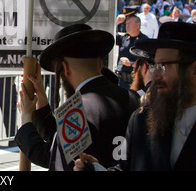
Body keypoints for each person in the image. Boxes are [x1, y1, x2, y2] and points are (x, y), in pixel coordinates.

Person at [15, 24, 139, 171]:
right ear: (100, 64)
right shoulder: (134, 98)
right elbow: (62, 140)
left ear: (65, 69)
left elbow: (52, 157)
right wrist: (42, 102)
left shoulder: (79, 108)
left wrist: (26, 119)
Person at [75, 22, 196, 171]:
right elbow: (126, 168)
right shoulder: (142, 121)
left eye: (164, 66)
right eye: (154, 66)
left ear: (193, 70)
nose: (155, 76)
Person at [116, 14, 149, 89]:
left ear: (138, 25)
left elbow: (146, 63)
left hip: (136, 82)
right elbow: (110, 36)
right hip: (121, 80)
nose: (127, 26)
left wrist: (130, 63)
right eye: (126, 23)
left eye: (129, 23)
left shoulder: (144, 40)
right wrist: (117, 22)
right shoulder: (124, 37)